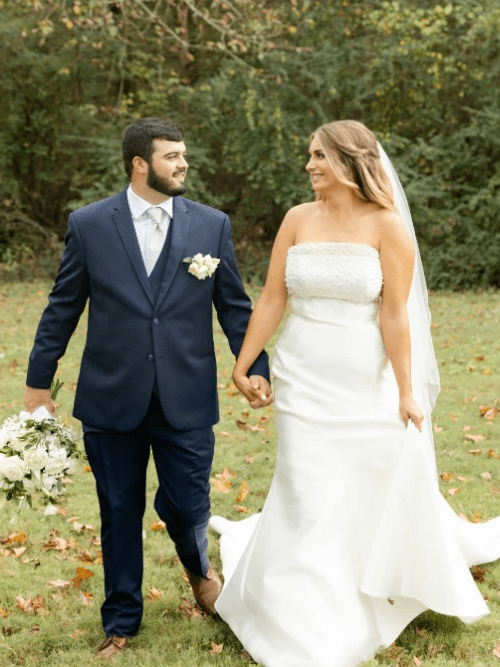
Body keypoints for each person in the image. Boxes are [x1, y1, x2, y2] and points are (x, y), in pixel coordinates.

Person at [210, 120, 500, 667]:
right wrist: (244, 362)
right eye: (310, 155)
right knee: (306, 487)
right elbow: (272, 297)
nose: (310, 165)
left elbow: (395, 315)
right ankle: (301, 611)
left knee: (364, 484)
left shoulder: (388, 227)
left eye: (319, 156)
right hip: (301, 375)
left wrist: (407, 391)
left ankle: (369, 583)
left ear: (350, 161)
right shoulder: (297, 219)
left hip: (366, 377)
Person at [24, 117, 272, 660]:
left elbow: (234, 305)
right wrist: (38, 383)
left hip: (187, 394)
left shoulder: (211, 225)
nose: (183, 164)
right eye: (171, 156)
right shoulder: (90, 224)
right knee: (118, 510)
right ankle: (121, 621)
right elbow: (63, 307)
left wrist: (256, 366)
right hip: (111, 395)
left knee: (186, 506)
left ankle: (198, 567)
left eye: (184, 155)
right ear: (140, 164)